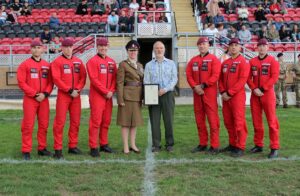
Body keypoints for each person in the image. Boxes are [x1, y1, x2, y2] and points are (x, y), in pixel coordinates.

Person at [17, 41, 53, 160]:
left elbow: (50, 82)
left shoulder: (47, 65)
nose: (36, 50)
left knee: (43, 125)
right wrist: (35, 94)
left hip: (44, 99)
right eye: (34, 48)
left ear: (42, 49)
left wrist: (45, 94)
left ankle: (42, 149)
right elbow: (21, 83)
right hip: (30, 99)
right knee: (28, 125)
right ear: (31, 49)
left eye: (39, 48)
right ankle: (26, 150)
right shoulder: (25, 65)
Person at [51, 38, 87, 159]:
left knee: (75, 122)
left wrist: (77, 89)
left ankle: (72, 146)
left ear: (73, 47)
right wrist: (69, 90)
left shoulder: (78, 61)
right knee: (60, 123)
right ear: (61, 48)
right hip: (63, 96)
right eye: (65, 47)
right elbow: (56, 79)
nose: (68, 49)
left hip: (76, 96)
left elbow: (83, 77)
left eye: (70, 47)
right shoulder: (57, 62)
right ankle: (58, 149)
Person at [186, 37, 221, 154]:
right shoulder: (193, 60)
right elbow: (189, 75)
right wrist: (195, 86)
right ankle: (203, 143)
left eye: (204, 44)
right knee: (199, 120)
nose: (202, 46)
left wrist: (203, 86)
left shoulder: (214, 59)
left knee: (213, 120)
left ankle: (215, 145)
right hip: (197, 94)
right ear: (198, 46)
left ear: (208, 46)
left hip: (209, 94)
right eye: (200, 44)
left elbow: (215, 75)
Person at [247, 38, 280, 159]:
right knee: (256, 122)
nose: (261, 48)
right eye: (259, 46)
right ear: (257, 48)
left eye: (264, 46)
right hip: (255, 95)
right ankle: (258, 144)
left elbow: (274, 77)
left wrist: (263, 88)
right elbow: (247, 77)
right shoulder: (252, 62)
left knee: (272, 122)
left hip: (267, 94)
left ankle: (274, 147)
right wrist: (254, 88)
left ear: (268, 48)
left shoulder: (273, 61)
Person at [144, 41, 178, 152]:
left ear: (164, 49)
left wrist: (165, 89)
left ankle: (170, 144)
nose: (159, 50)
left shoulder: (171, 63)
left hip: (167, 95)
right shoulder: (148, 65)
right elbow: (146, 80)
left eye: (161, 48)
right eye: (157, 48)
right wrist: (152, 91)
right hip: (153, 95)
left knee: (168, 120)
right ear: (154, 50)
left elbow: (174, 79)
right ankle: (156, 145)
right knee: (155, 121)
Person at [219, 38, 249, 157]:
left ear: (240, 48)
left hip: (236, 96)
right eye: (231, 45)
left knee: (239, 121)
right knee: (228, 121)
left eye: (236, 45)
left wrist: (230, 93)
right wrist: (222, 92)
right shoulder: (225, 63)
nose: (233, 47)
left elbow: (242, 80)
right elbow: (220, 79)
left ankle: (240, 146)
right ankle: (232, 144)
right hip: (225, 97)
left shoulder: (243, 62)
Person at [86, 38, 117, 157]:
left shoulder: (111, 61)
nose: (103, 48)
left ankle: (104, 144)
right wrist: (105, 91)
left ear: (108, 47)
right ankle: (93, 146)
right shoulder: (92, 61)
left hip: (108, 96)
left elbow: (115, 78)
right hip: (97, 96)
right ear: (97, 47)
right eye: (101, 46)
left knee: (106, 121)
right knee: (95, 122)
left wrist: (111, 90)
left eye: (105, 46)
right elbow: (94, 79)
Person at [117, 40, 144, 154]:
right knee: (125, 122)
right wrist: (120, 99)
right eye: (130, 50)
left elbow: (142, 81)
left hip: (137, 97)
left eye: (135, 50)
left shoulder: (140, 65)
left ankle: (133, 145)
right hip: (127, 97)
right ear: (127, 52)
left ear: (138, 51)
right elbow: (119, 82)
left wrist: (143, 97)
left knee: (135, 123)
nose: (133, 52)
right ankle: (126, 146)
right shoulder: (123, 64)